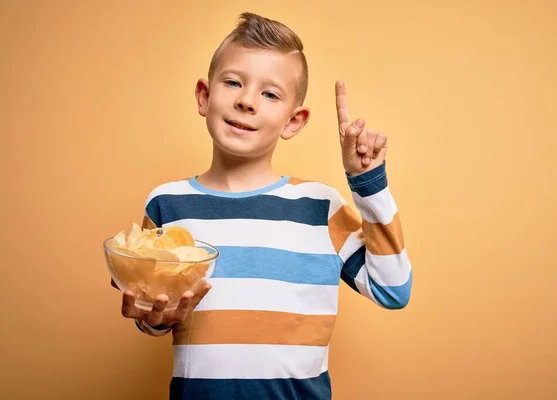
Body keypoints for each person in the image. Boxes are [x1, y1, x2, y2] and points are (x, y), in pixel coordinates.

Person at [115, 12, 413, 400]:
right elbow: (159, 314)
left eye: (270, 94)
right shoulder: (167, 204)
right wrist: (153, 319)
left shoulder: (320, 207)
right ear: (205, 97)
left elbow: (392, 290)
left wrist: (367, 184)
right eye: (234, 82)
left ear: (293, 121)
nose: (246, 101)